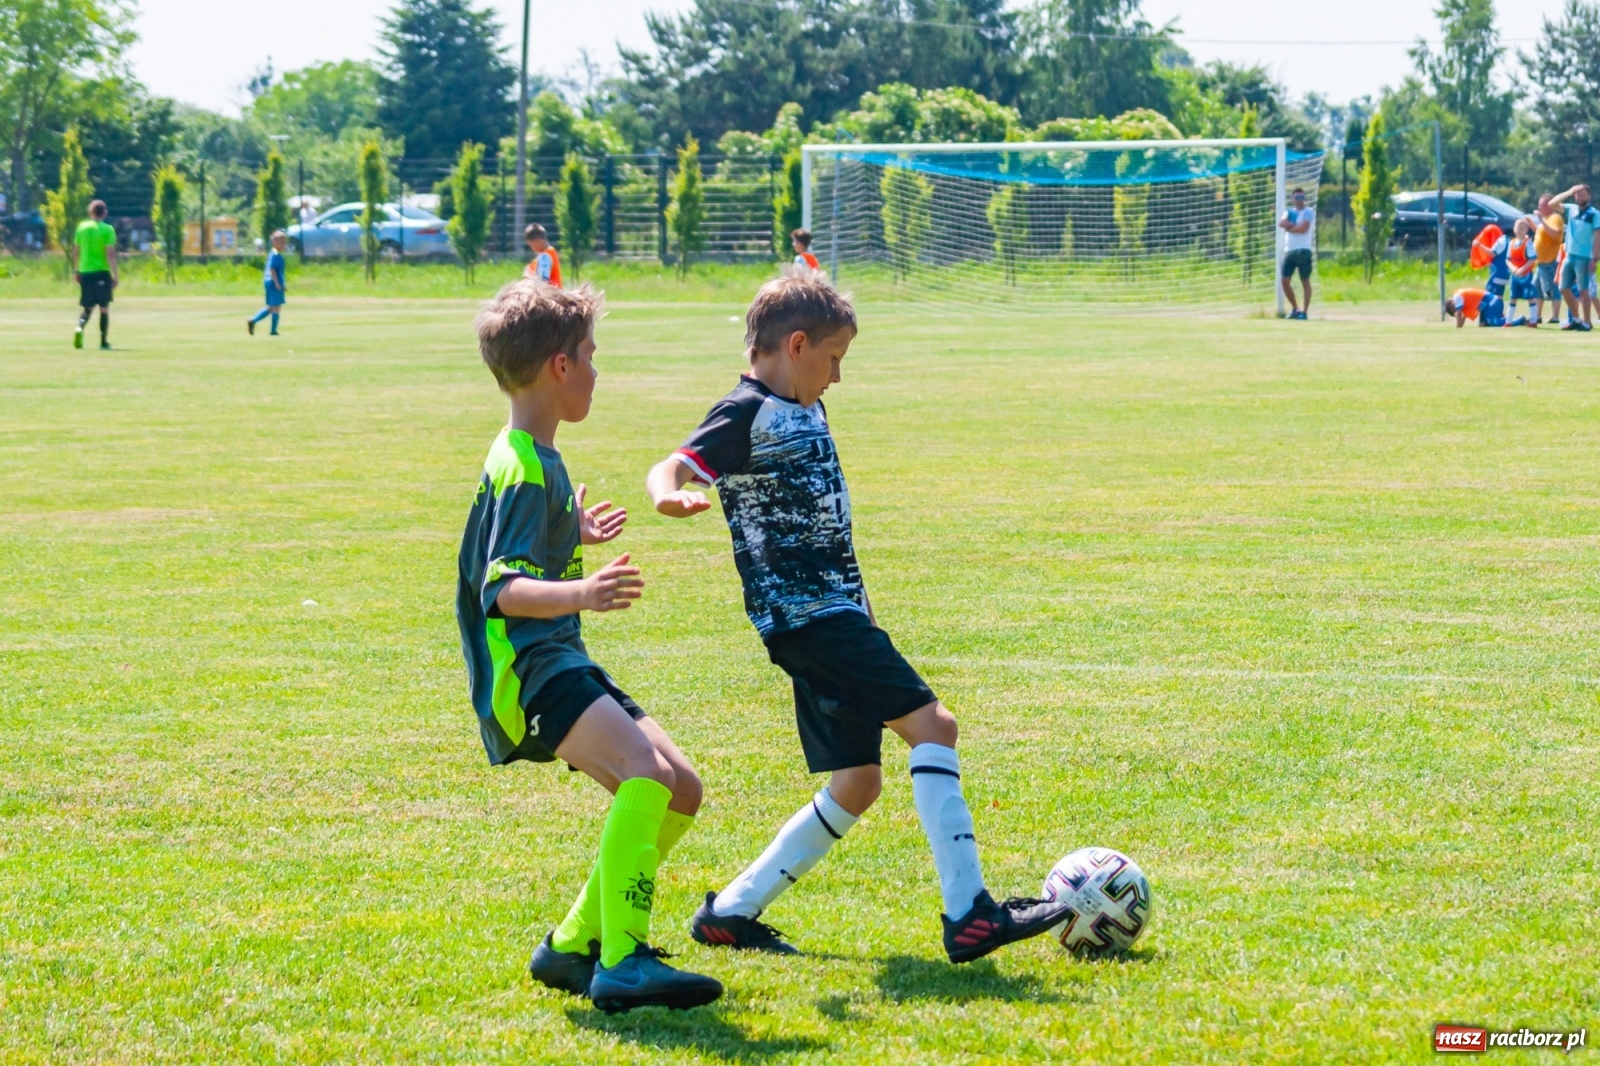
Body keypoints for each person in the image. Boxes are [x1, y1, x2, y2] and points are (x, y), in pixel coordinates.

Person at [645, 274, 1077, 963]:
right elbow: (672, 465)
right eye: (834, 357)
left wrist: (867, 610)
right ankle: (971, 913)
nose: (839, 376)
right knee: (935, 727)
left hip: (836, 616)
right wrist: (670, 497)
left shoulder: (806, 408)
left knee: (857, 781)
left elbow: (832, 524)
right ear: (795, 345)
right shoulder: (745, 411)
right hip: (808, 621)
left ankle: (730, 913)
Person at [456, 279, 721, 1013]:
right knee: (643, 771)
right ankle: (623, 957)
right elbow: (502, 589)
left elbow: (519, 552)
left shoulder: (536, 456)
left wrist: (569, 534)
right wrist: (583, 589)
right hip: (531, 669)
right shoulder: (524, 466)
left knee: (679, 786)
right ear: (558, 368)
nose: (598, 372)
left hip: (560, 658)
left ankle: (572, 945)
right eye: (591, 356)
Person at [1549, 183, 1598, 331]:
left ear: (1589, 196)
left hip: (1584, 257)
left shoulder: (1594, 214)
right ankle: (1576, 319)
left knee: (1584, 291)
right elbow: (1552, 204)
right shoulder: (1572, 209)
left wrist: (1595, 259)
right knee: (1563, 287)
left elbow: (1598, 237)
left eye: (1583, 194)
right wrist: (1569, 191)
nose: (1580, 196)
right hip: (1569, 255)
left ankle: (1587, 322)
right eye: (1577, 194)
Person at [71, 200, 118, 350]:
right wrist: (115, 275)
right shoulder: (107, 229)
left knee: (88, 307)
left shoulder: (82, 228)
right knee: (104, 307)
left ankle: (79, 328)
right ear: (104, 213)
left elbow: (76, 251)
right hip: (101, 272)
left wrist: (76, 270)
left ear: (91, 212)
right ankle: (103, 342)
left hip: (85, 272)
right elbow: (110, 254)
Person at [248, 231, 289, 336]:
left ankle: (254, 320)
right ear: (275, 242)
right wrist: (277, 283)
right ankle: (273, 330)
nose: (284, 244)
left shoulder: (272, 253)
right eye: (282, 241)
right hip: (273, 282)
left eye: (285, 241)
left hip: (268, 281)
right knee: (276, 306)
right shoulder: (276, 254)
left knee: (271, 307)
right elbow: (272, 269)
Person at [1533, 195, 1565, 324]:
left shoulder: (1555, 218)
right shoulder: (1546, 219)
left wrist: (1541, 220)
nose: (1539, 207)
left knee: (1553, 290)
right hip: (1540, 262)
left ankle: (1555, 317)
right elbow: (1543, 234)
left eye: (1542, 204)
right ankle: (1537, 316)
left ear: (1549, 205)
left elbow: (1555, 234)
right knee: (1536, 289)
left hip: (1551, 261)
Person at [1505, 218, 1537, 327]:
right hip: (1515, 276)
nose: (1520, 230)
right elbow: (1507, 259)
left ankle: (1533, 320)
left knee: (1530, 297)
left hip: (1526, 276)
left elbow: (1532, 259)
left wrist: (1522, 270)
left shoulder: (1528, 243)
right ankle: (1508, 321)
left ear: (1527, 230)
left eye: (1523, 228)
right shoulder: (1511, 243)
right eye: (1518, 227)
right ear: (1514, 229)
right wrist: (1514, 269)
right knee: (1513, 297)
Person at [524, 223, 562, 288]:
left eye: (531, 245)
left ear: (538, 241)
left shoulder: (545, 257)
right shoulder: (551, 252)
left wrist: (528, 275)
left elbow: (542, 282)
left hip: (550, 296)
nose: (531, 248)